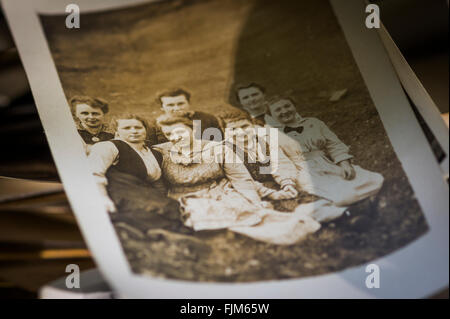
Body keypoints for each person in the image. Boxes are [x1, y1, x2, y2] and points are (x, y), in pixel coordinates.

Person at [154, 113, 321, 245]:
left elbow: (240, 178)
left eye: (180, 132)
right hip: (185, 198)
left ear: (192, 129)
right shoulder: (160, 152)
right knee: (214, 222)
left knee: (253, 215)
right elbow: (159, 184)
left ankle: (289, 228)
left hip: (220, 190)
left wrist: (254, 200)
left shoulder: (217, 148)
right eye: (168, 134)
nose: (175, 137)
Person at [266, 96, 384, 207]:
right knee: (340, 195)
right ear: (271, 115)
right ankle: (350, 206)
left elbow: (334, 144)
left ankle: (356, 201)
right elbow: (279, 162)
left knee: (374, 180)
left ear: (294, 106)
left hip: (326, 164)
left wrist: (344, 163)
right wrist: (287, 182)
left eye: (287, 106)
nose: (284, 111)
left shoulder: (314, 123)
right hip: (304, 172)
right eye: (278, 110)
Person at [87, 114, 189, 236]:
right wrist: (102, 198)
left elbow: (157, 182)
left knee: (171, 207)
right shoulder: (108, 147)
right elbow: (94, 172)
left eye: (138, 127)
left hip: (143, 194)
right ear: (117, 131)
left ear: (145, 129)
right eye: (127, 128)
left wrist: (165, 198)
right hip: (118, 193)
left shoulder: (155, 153)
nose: (134, 131)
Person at [155, 88, 223, 143]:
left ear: (188, 103)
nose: (177, 108)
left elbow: (220, 143)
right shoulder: (156, 126)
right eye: (170, 105)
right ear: (162, 107)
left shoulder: (207, 119)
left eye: (181, 103)